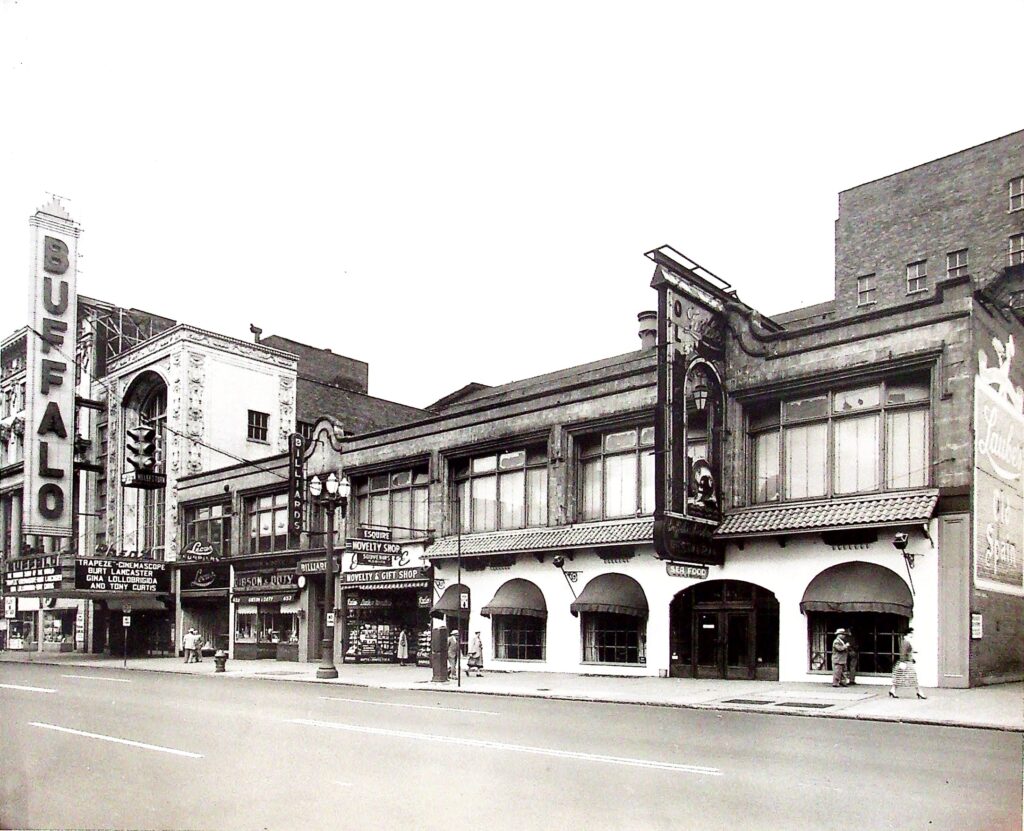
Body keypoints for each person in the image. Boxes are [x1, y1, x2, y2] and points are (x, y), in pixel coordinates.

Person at [890, 627, 926, 699]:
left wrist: (911, 658)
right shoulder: (906, 642)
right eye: (911, 633)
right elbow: (903, 653)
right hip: (906, 663)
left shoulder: (905, 641)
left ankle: (892, 690)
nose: (912, 635)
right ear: (908, 634)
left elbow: (906, 652)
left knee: (899, 677)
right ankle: (919, 692)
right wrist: (903, 661)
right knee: (913, 677)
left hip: (905, 662)